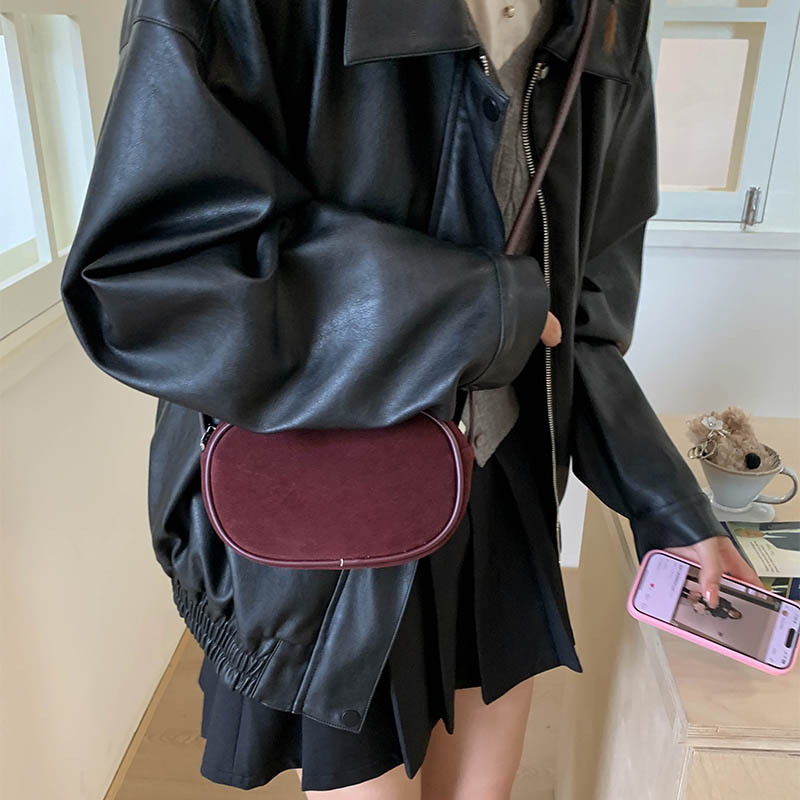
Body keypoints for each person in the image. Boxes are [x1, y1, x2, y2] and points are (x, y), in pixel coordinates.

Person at [60, 0, 760, 797]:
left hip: (505, 485)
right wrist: (477, 309)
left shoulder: (611, 11)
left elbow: (581, 312)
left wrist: (667, 503)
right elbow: (150, 277)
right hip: (327, 498)